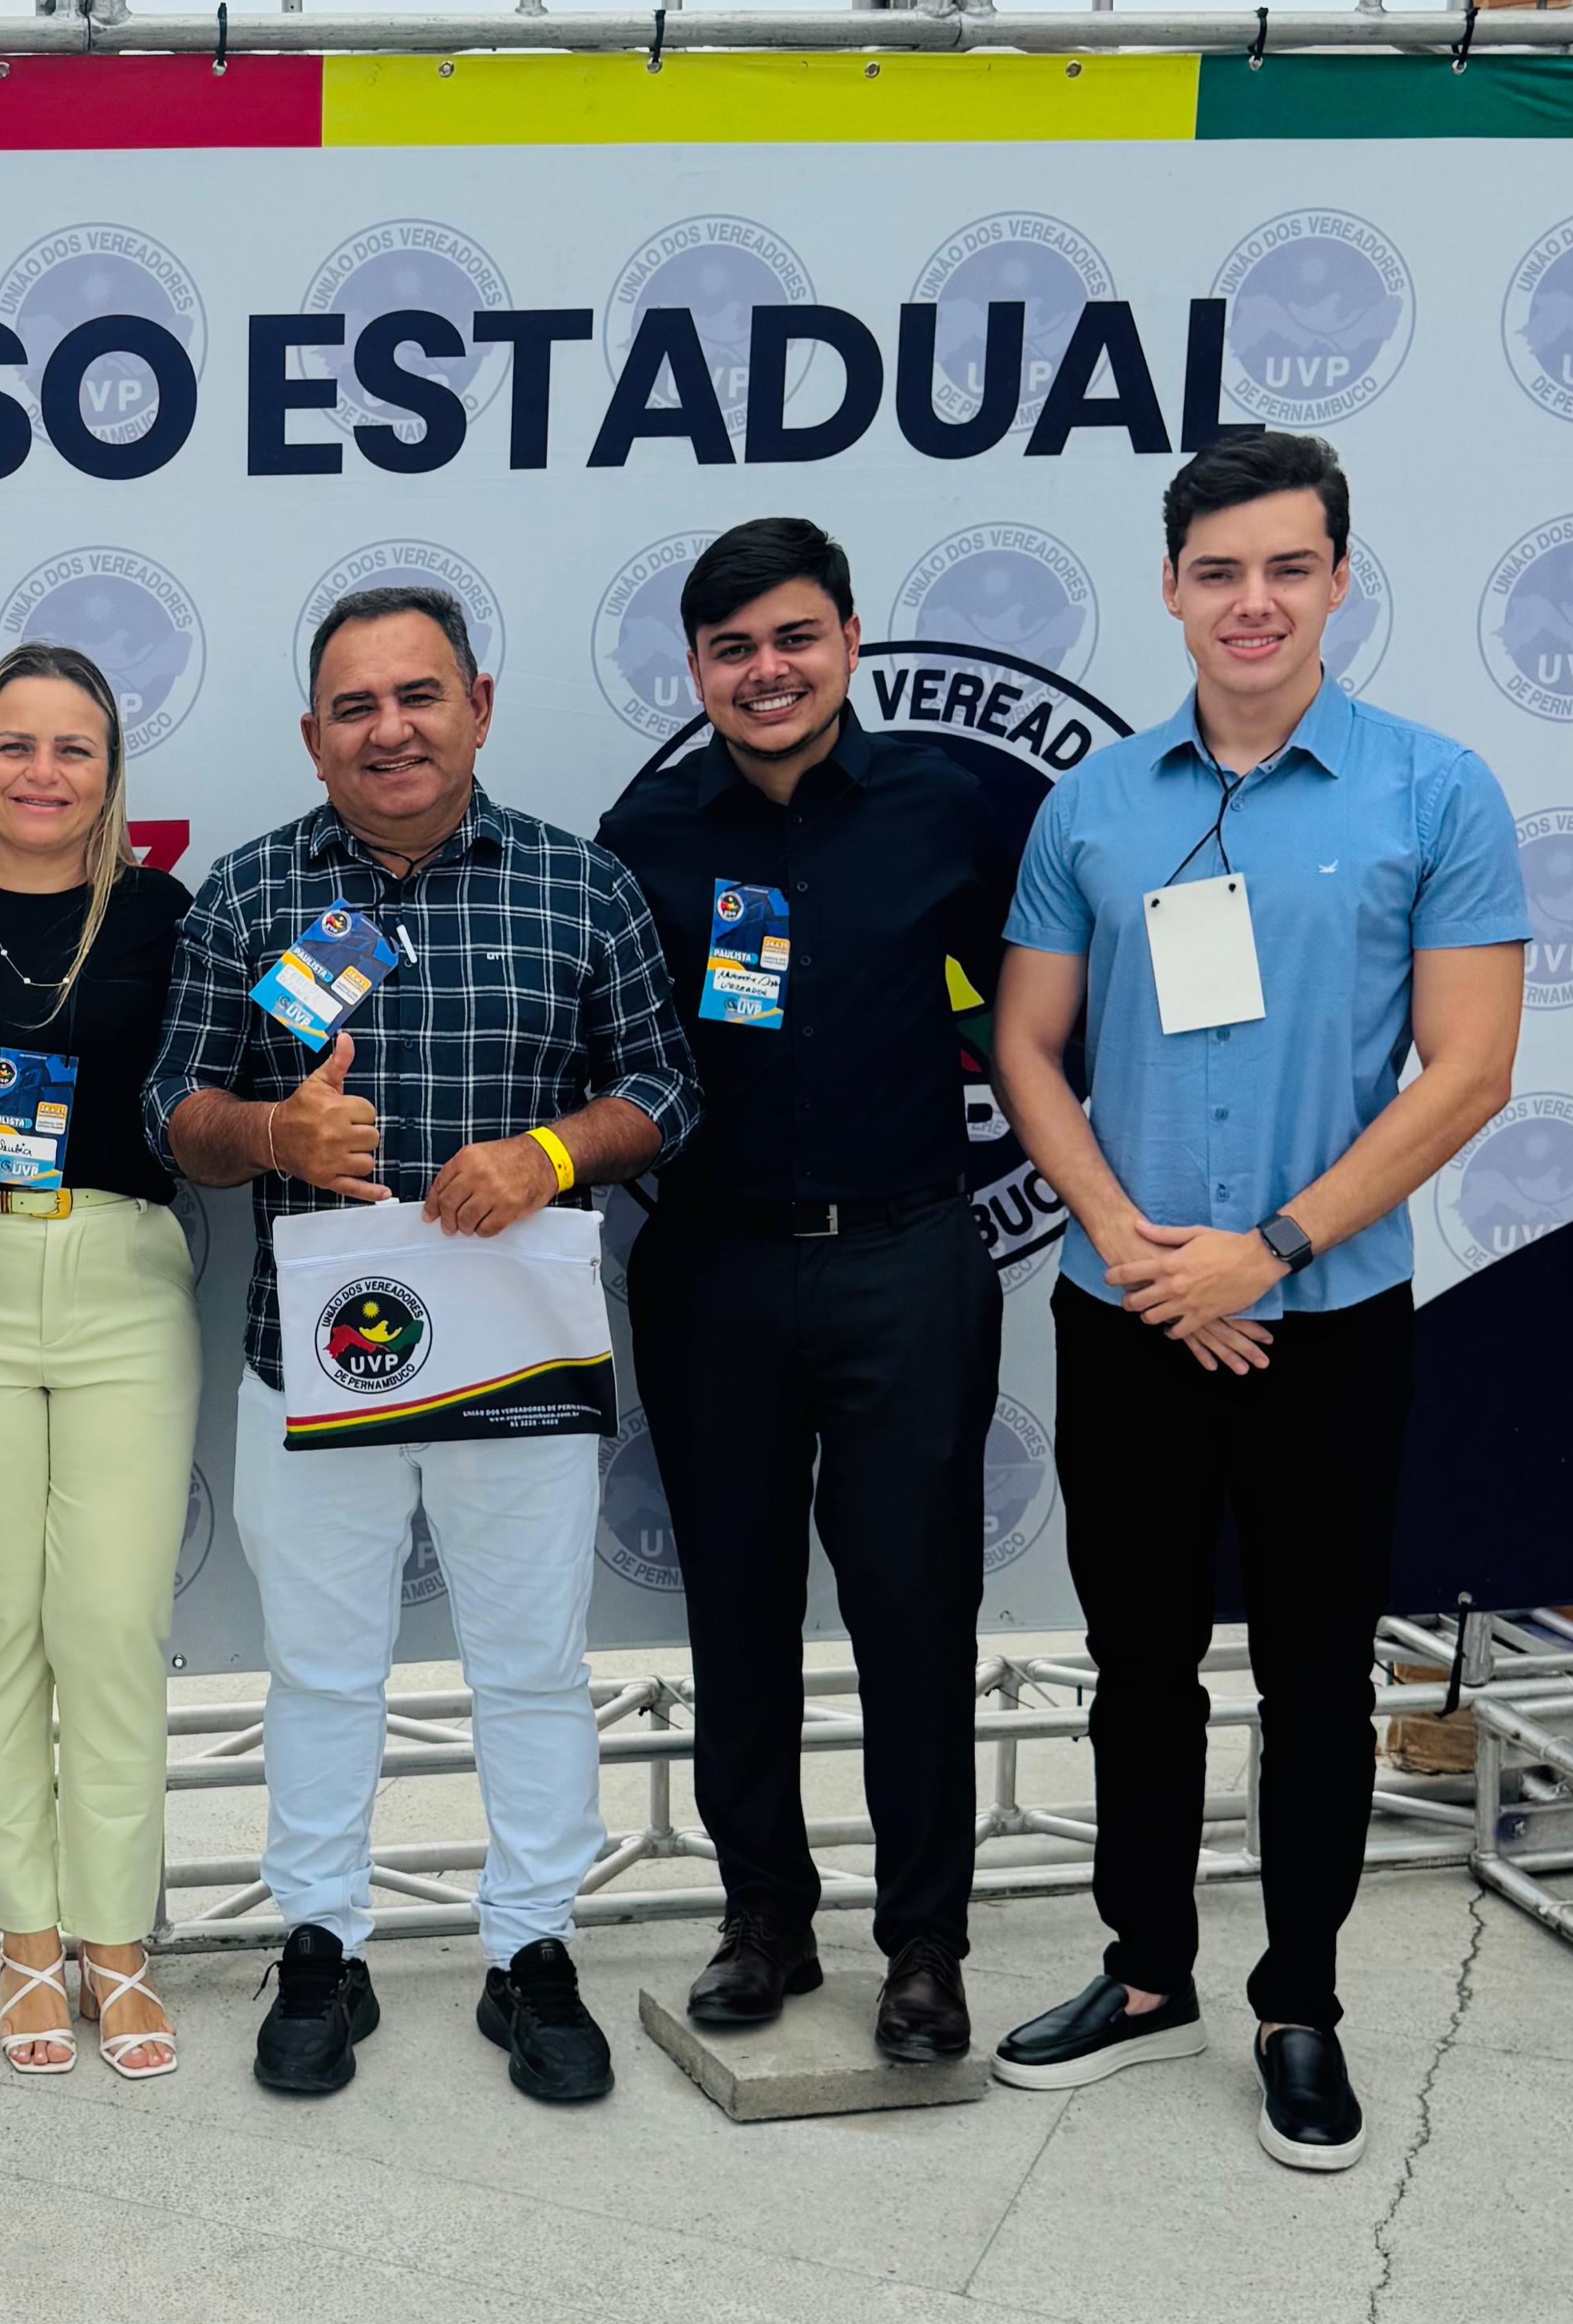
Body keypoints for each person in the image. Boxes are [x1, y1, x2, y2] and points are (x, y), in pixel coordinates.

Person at [987, 430, 1527, 2170]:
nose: (1252, 600)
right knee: (1137, 1662)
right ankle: (1148, 1971)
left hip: (1330, 1316)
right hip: (1123, 1305)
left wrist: (1267, 1249)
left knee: (1312, 1672)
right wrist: (1151, 1254)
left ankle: (1301, 2000)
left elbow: (1467, 1071)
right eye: (1217, 570)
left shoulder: (1432, 792)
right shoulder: (1094, 802)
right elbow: (1025, 1043)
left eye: (1287, 567)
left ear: (1338, 579)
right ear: (1168, 586)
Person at [146, 585, 699, 2104]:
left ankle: (531, 1950)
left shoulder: (579, 890)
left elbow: (666, 1084)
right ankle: (322, 1945)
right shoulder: (254, 898)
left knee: (530, 1668)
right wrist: (272, 1126)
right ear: (313, 734)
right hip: (312, 1364)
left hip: (518, 1363)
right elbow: (174, 1115)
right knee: (323, 1676)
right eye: (354, 705)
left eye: (419, 695)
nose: (390, 728)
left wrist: (556, 1152)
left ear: (480, 706)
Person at [596, 518, 1013, 2065]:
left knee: (915, 1607)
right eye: (729, 649)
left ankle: (925, 1944)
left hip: (907, 1257)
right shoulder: (642, 838)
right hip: (708, 1264)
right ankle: (764, 1914)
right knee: (738, 1605)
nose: (764, 672)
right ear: (695, 669)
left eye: (791, 638)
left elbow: (1035, 1019)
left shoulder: (945, 811)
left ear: (847, 639)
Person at [0, 643, 199, 2081]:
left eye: (73, 747)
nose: (42, 772)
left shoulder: (160, 909)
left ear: (110, 773)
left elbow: (228, 1074)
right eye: (14, 743)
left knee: (109, 1627)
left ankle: (120, 1938)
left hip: (125, 1281)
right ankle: (27, 1939)